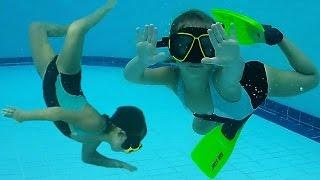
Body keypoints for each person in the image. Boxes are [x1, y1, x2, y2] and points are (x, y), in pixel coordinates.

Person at [1, 0, 146, 171]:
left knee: (37, 28)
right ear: (122, 132)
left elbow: (88, 158)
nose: (129, 150)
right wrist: (23, 116)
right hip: (66, 79)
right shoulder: (95, 124)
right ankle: (108, 7)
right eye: (132, 145)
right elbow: (57, 113)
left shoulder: (96, 138)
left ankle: (67, 32)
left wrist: (120, 165)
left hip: (50, 83)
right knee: (77, 30)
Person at [124, 9, 319, 135]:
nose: (194, 57)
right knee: (198, 129)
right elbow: (132, 76)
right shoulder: (172, 76)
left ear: (217, 49)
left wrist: (233, 60)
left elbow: (231, 75)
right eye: (183, 46)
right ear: (171, 49)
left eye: (206, 46)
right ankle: (227, 119)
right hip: (215, 111)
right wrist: (141, 61)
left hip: (254, 83)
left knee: (313, 79)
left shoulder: (222, 78)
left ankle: (276, 36)